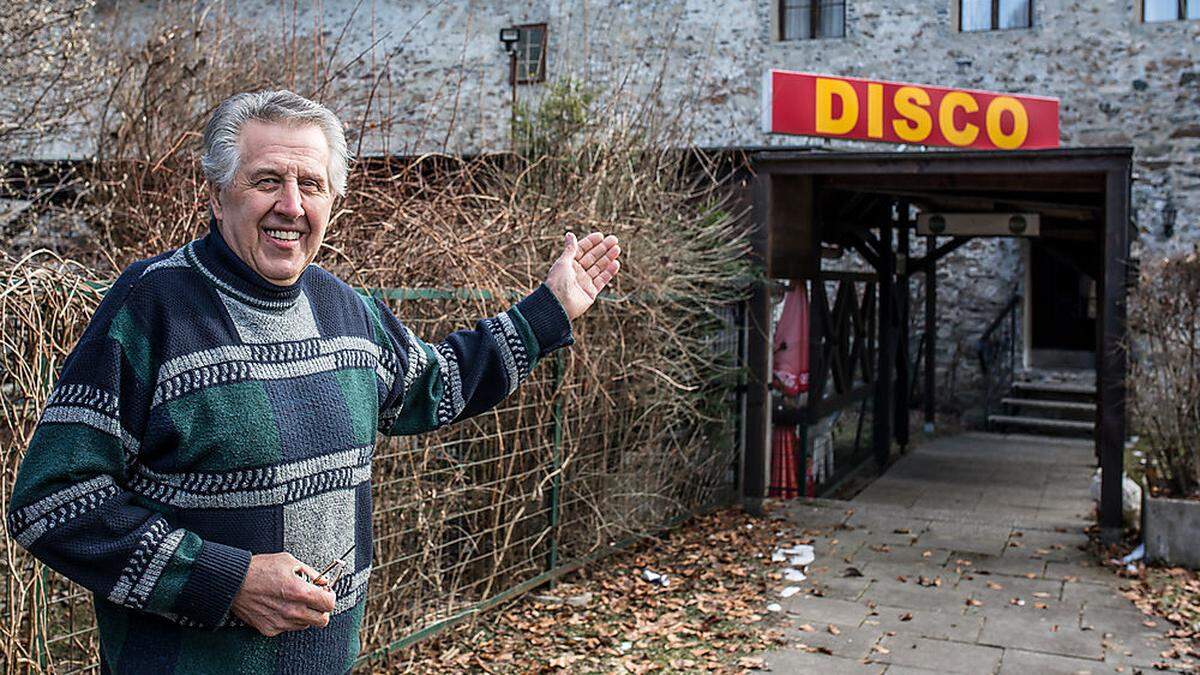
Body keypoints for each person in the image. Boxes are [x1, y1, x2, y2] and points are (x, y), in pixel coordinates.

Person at [6, 90, 621, 674]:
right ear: (218, 196)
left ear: (333, 201)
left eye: (312, 185)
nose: (292, 206)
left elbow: (439, 382)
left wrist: (550, 310)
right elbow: (51, 500)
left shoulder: (346, 311)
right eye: (267, 181)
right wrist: (225, 581)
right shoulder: (153, 306)